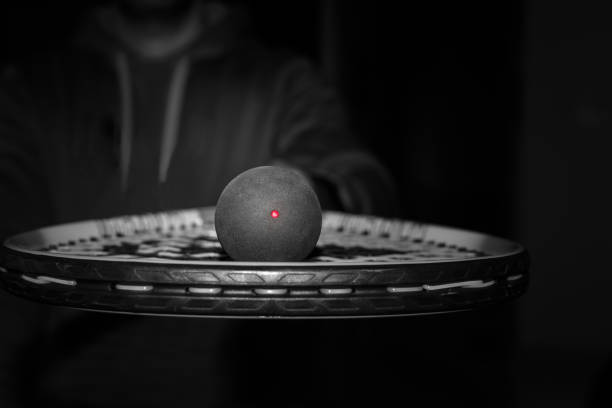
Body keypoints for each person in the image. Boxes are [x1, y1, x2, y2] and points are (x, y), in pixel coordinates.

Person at [0, 1, 397, 406]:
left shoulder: (284, 81)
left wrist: (315, 198)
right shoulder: (31, 88)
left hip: (246, 393)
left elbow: (361, 177)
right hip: (64, 393)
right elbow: (10, 253)